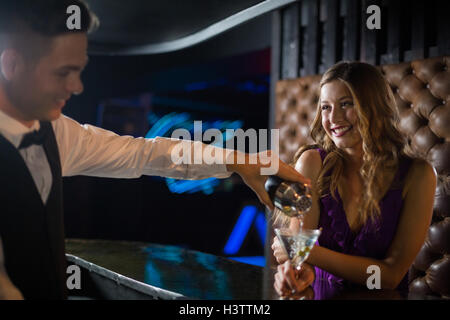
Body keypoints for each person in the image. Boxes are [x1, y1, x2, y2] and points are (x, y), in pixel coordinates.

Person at [0, 0, 310, 299]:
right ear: (11, 65)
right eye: (63, 73)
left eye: (79, 70)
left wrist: (239, 162)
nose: (77, 86)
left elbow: (147, 153)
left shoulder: (54, 132)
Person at [272, 61, 436, 299]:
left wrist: (306, 251)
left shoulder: (418, 174)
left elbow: (389, 276)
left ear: (374, 107)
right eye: (326, 107)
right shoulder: (311, 163)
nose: (334, 118)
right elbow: (298, 255)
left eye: (346, 104)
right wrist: (294, 273)